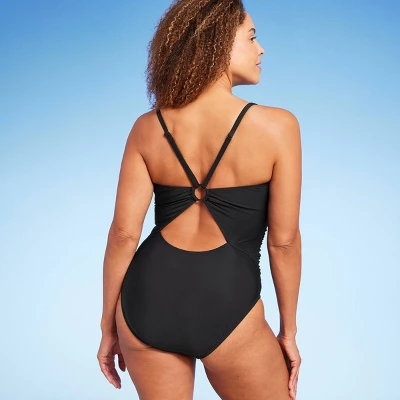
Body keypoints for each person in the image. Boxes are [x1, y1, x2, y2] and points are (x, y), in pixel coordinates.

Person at [97, 1, 302, 399]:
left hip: (145, 301)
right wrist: (288, 332)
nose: (261, 50)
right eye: (252, 38)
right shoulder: (278, 127)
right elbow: (284, 243)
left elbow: (123, 235)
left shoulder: (147, 127)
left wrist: (108, 326)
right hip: (227, 300)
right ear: (219, 44)